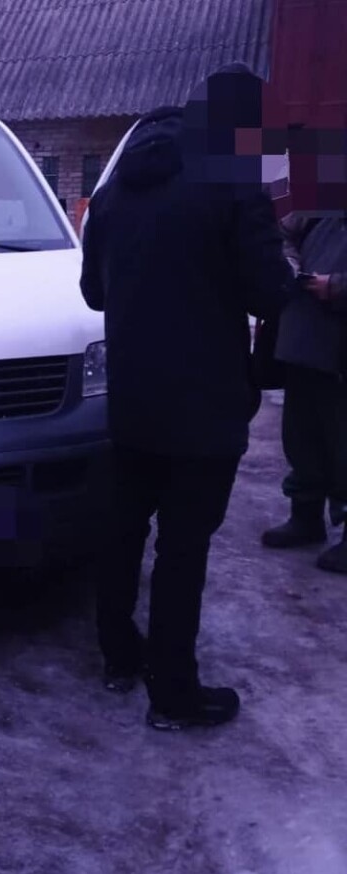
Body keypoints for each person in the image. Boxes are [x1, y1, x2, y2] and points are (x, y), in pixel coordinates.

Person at [80, 64, 294, 731]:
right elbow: (269, 293)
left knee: (122, 532)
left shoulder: (114, 191)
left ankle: (118, 655)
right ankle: (172, 693)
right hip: (205, 408)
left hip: (132, 400)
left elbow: (93, 293)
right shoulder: (234, 184)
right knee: (182, 548)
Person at [261, 211, 347, 573]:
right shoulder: (323, 197)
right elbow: (281, 232)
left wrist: (338, 286)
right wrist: (292, 267)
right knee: (302, 434)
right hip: (305, 340)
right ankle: (306, 515)